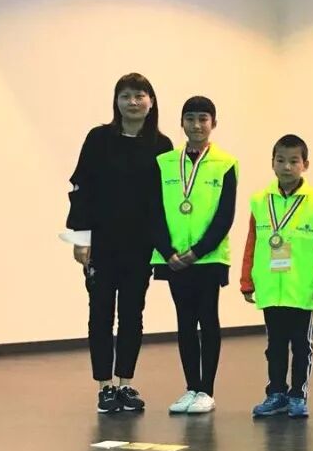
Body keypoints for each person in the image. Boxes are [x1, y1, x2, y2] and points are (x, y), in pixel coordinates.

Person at [66, 73, 173, 414]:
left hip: (140, 246)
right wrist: (80, 238)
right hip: (101, 244)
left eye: (139, 95)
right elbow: (81, 188)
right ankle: (104, 386)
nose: (132, 102)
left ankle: (125, 383)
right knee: (100, 313)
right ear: (116, 101)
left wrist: (165, 246)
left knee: (132, 313)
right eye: (125, 96)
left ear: (151, 102)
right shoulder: (98, 139)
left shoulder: (162, 145)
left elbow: (164, 201)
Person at [150, 96, 238, 415]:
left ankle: (206, 391)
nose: (197, 125)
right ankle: (191, 387)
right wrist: (168, 251)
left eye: (203, 118)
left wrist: (197, 251)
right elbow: (153, 210)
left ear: (214, 123)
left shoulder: (226, 163)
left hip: (208, 258)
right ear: (182, 123)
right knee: (184, 322)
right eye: (190, 118)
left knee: (207, 319)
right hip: (173, 258)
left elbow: (225, 215)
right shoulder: (164, 162)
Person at [239, 135, 313, 419]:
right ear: (272, 163)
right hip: (270, 285)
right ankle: (276, 393)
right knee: (275, 345)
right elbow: (252, 242)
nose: (287, 167)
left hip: (301, 287)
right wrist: (247, 280)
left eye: (294, 161)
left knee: (301, 345)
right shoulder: (259, 200)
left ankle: (297, 394)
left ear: (305, 164)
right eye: (281, 160)